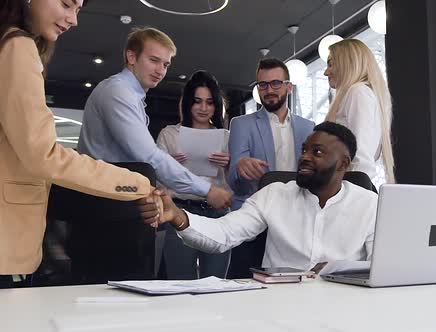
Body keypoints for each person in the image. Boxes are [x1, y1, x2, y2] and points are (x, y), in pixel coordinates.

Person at [0, 0, 156, 289]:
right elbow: (44, 155)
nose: (73, 19)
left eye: (78, 10)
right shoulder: (17, 46)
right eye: (66, 4)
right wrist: (140, 183)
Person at [139, 122, 378, 271]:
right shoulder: (274, 194)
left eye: (317, 152)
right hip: (278, 306)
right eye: (304, 149)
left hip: (342, 305)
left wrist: (339, 268)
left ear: (343, 164)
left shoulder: (370, 205)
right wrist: (177, 216)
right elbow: (223, 234)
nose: (305, 157)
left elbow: (382, 266)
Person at [78, 27, 232, 209]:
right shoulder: (118, 92)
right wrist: (208, 190)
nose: (160, 70)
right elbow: (148, 157)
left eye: (165, 65)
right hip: (104, 201)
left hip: (117, 198)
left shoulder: (131, 95)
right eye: (154, 60)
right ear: (131, 57)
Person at [156, 70, 231, 279]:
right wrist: (168, 165)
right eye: (197, 101)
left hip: (217, 215)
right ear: (188, 103)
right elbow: (156, 181)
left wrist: (228, 166)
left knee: (215, 284)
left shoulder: (225, 137)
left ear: (216, 105)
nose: (204, 108)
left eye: (209, 102)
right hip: (180, 211)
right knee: (180, 283)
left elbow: (235, 185)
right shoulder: (169, 134)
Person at [228, 58, 315, 210]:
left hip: (298, 209)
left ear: (289, 87)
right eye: (263, 85)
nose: (269, 91)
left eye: (276, 83)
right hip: (257, 211)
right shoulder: (241, 124)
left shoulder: (308, 127)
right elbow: (235, 184)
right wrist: (240, 168)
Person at [324, 39, 395, 184]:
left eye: (331, 64)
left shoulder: (358, 92)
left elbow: (360, 155)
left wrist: (353, 196)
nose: (326, 72)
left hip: (350, 189)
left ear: (348, 62)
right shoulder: (360, 93)